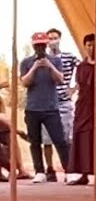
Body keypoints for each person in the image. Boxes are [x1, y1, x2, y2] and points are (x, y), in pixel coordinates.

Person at [66, 33, 96, 185]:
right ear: (85, 47)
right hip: (83, 106)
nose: (91, 48)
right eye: (89, 45)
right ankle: (83, 173)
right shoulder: (81, 66)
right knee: (81, 138)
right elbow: (79, 85)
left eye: (94, 45)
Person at [20, 32, 70, 182]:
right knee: (35, 141)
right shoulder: (26, 62)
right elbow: (25, 82)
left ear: (46, 45)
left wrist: (49, 66)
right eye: (37, 46)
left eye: (42, 45)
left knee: (59, 140)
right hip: (33, 108)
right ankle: (39, 171)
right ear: (34, 46)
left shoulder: (55, 60)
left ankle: (69, 170)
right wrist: (34, 68)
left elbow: (60, 79)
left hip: (51, 107)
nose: (40, 49)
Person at [46, 28, 79, 180]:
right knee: (46, 138)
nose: (53, 41)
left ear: (60, 39)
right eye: (50, 38)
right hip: (47, 102)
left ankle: (69, 168)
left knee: (66, 138)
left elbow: (83, 68)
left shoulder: (69, 57)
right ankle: (50, 169)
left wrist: (74, 88)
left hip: (64, 101)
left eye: (55, 38)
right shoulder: (42, 59)